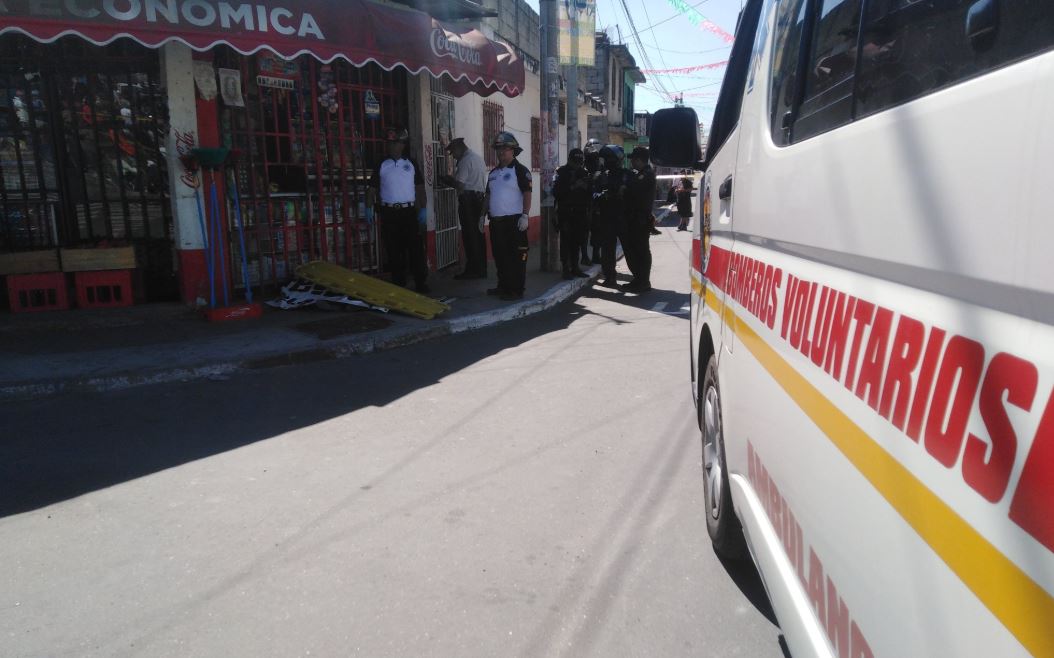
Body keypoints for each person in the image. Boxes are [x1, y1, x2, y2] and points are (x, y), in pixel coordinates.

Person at [368, 126, 430, 293]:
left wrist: (423, 209)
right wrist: (368, 208)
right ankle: (399, 283)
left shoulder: (412, 163)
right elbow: (372, 189)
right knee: (393, 249)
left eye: (395, 143)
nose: (391, 146)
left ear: (402, 144)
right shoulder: (381, 163)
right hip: (389, 213)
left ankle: (420, 283)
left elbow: (419, 188)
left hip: (409, 212)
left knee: (416, 249)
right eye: (389, 143)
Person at [481, 131, 532, 301]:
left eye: (505, 149)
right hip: (497, 223)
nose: (501, 153)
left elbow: (527, 193)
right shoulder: (493, 174)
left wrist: (525, 215)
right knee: (500, 256)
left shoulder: (520, 171)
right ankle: (503, 286)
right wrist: (482, 216)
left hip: (514, 222)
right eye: (498, 149)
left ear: (514, 151)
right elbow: (488, 195)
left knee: (516, 258)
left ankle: (516, 290)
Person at [441, 137, 487, 279]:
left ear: (458, 148)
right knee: (478, 235)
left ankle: (472, 270)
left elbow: (460, 185)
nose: (453, 156)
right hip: (479, 199)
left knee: (470, 236)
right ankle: (481, 269)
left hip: (469, 201)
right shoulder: (477, 158)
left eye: (453, 152)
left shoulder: (465, 161)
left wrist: (446, 179)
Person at [593, 144, 633, 288]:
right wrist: (604, 195)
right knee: (607, 250)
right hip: (606, 218)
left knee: (629, 249)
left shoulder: (627, 175)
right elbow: (594, 195)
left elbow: (634, 196)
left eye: (610, 158)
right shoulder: (600, 176)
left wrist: (622, 193)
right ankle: (610, 277)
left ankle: (638, 278)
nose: (607, 161)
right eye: (606, 158)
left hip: (623, 218)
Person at [621, 146, 656, 292]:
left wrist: (625, 186)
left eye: (634, 160)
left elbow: (634, 190)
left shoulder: (646, 174)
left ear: (639, 160)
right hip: (635, 218)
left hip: (640, 219)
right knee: (634, 250)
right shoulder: (640, 173)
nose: (632, 163)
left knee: (641, 250)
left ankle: (643, 281)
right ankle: (638, 279)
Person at [553, 148, 591, 280]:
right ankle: (565, 268)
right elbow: (557, 192)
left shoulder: (584, 172)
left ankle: (575, 267)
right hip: (566, 212)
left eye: (580, 162)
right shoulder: (561, 172)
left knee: (578, 240)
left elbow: (590, 193)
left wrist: (587, 186)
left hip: (580, 212)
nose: (578, 165)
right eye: (576, 162)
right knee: (566, 241)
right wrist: (573, 186)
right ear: (569, 160)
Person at [582, 147, 602, 266]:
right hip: (584, 207)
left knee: (597, 233)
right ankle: (584, 256)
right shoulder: (583, 171)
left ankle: (595, 255)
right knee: (583, 234)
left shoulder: (600, 171)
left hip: (596, 207)